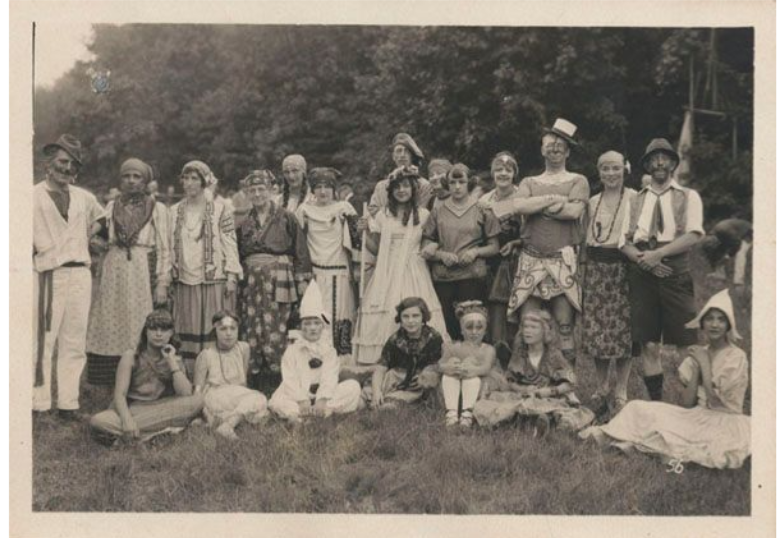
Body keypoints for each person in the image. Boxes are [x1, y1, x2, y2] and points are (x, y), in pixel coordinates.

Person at [580, 290, 751, 469]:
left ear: (729, 325)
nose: (714, 324)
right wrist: (698, 367)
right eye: (710, 319)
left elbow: (717, 402)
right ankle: (620, 439)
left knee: (682, 440)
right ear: (702, 323)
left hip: (724, 421)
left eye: (721, 319)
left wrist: (704, 366)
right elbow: (687, 403)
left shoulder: (736, 357)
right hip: (697, 416)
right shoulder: (702, 352)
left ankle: (635, 446)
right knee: (636, 407)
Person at [620, 138, 705, 401]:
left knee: (686, 341)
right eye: (653, 159)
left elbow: (693, 235)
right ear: (646, 165)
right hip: (642, 271)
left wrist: (659, 255)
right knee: (648, 342)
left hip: (675, 271)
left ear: (672, 164)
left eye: (664, 158)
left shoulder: (688, 196)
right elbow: (623, 243)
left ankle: (694, 402)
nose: (659, 163)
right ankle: (656, 403)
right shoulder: (635, 200)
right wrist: (644, 260)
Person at [33, 134, 105, 421]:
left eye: (73, 164)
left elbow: (101, 218)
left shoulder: (83, 196)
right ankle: (38, 404)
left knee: (74, 340)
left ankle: (68, 404)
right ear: (49, 163)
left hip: (81, 273)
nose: (67, 168)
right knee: (44, 340)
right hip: (49, 273)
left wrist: (91, 232)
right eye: (62, 162)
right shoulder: (32, 195)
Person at [507, 118, 590, 365]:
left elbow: (573, 213)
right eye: (550, 145)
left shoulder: (578, 180)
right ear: (542, 149)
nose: (554, 149)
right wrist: (553, 199)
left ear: (568, 151)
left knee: (565, 325)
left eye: (560, 146)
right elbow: (517, 205)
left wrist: (536, 205)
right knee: (528, 325)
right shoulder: (529, 182)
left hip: (562, 260)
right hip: (531, 259)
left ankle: (567, 382)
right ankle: (525, 379)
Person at [86, 158, 171, 387]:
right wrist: (95, 240)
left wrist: (162, 281)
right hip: (114, 268)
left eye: (137, 177)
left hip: (140, 269)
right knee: (110, 319)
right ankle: (108, 380)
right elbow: (98, 232)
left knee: (138, 320)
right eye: (127, 176)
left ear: (145, 181)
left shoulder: (157, 208)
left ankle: (140, 377)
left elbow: (165, 247)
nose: (132, 181)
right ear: (121, 180)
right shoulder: (112, 206)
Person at [353, 167, 449, 366]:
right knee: (384, 308)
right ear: (390, 192)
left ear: (413, 189)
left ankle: (420, 358)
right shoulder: (383, 215)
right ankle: (384, 360)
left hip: (413, 267)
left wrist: (432, 247)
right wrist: (365, 233)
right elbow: (377, 249)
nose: (401, 191)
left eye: (405, 186)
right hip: (386, 270)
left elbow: (434, 240)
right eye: (397, 187)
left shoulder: (423, 215)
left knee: (414, 305)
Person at [236, 170, 312, 377]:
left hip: (279, 276)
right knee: (252, 323)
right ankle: (255, 373)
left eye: (262, 189)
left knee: (279, 323)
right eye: (253, 190)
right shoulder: (243, 222)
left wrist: (302, 280)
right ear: (247, 194)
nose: (258, 194)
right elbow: (237, 254)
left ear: (271, 190)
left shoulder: (286, 217)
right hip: (251, 279)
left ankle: (280, 374)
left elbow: (300, 249)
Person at [169, 160, 243, 370]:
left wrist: (231, 275)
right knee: (188, 325)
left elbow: (230, 242)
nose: (190, 183)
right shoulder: (174, 211)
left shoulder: (221, 210)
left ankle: (219, 372)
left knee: (215, 324)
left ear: (204, 182)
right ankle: (192, 374)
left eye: (195, 179)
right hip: (185, 279)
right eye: (186, 178)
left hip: (214, 279)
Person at [89, 310, 204, 443]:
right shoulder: (130, 356)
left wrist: (172, 362)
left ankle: (137, 435)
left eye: (164, 330)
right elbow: (119, 395)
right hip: (132, 409)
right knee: (98, 420)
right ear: (146, 332)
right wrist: (127, 420)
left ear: (171, 333)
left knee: (198, 400)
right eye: (153, 329)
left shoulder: (174, 358)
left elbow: (186, 393)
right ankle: (161, 431)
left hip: (161, 408)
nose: (158, 334)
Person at [473, 310, 594, 434]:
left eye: (533, 327)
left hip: (547, 396)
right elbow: (510, 381)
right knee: (497, 405)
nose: (527, 331)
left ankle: (546, 421)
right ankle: (531, 421)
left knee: (564, 410)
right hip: (524, 395)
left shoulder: (553, 355)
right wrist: (523, 390)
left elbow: (571, 383)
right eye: (525, 327)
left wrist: (550, 391)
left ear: (544, 332)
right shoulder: (520, 354)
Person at [582, 151, 638, 416]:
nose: (611, 174)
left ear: (624, 169)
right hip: (595, 268)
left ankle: (621, 389)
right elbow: (585, 239)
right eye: (605, 169)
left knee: (622, 331)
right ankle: (601, 385)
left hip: (624, 268)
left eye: (615, 168)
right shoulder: (592, 201)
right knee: (597, 330)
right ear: (599, 172)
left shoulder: (635, 197)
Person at [422, 163, 501, 340]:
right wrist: (441, 255)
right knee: (447, 322)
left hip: (472, 276)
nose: (457, 187)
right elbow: (425, 243)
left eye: (461, 182)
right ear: (447, 184)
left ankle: (474, 358)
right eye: (452, 182)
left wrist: (475, 252)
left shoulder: (483, 209)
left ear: (469, 183)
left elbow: (495, 247)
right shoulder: (437, 211)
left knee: (472, 321)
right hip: (444, 276)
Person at [269, 281, 362, 422]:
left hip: (322, 395)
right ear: (301, 327)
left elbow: (330, 376)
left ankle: (321, 410)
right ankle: (300, 414)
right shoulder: (293, 350)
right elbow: (290, 378)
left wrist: (322, 399)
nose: (312, 328)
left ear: (322, 327)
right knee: (277, 400)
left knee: (353, 387)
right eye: (307, 324)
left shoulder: (329, 350)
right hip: (299, 394)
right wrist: (301, 399)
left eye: (316, 323)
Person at [296, 167, 359, 357]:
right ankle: (316, 359)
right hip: (316, 273)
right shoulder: (304, 210)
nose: (323, 192)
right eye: (318, 187)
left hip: (339, 271)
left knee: (341, 314)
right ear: (312, 190)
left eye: (327, 187)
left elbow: (357, 242)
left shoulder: (344, 208)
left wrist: (355, 266)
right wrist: (302, 276)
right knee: (317, 314)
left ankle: (341, 360)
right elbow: (298, 245)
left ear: (334, 189)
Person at [193, 311, 269, 440]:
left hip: (236, 395)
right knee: (259, 402)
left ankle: (226, 422)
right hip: (215, 395)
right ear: (215, 330)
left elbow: (243, 380)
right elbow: (197, 391)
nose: (228, 333)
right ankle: (228, 424)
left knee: (261, 406)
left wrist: (245, 397)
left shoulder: (243, 348)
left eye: (233, 328)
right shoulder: (206, 354)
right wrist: (202, 411)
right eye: (223, 329)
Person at [478, 152, 523, 356]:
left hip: (517, 260)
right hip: (490, 262)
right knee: (491, 307)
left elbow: (533, 230)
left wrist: (516, 242)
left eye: (508, 169)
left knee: (513, 310)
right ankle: (493, 351)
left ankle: (515, 355)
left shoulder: (523, 197)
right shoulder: (484, 200)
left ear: (514, 173)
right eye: (498, 169)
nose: (503, 173)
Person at [363, 297, 444, 408]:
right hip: (397, 379)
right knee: (368, 396)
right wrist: (377, 391)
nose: (410, 321)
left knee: (389, 407)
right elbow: (381, 368)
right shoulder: (395, 339)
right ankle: (379, 398)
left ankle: (396, 400)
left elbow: (438, 365)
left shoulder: (433, 337)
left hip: (420, 382)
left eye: (415, 316)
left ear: (423, 317)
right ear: (400, 319)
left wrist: (426, 375)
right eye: (405, 316)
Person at [439, 301, 496, 427]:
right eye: (469, 328)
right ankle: (452, 413)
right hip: (457, 380)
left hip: (479, 381)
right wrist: (449, 368)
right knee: (448, 376)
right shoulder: (454, 347)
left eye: (479, 328)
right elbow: (440, 365)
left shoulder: (488, 349)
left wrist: (472, 370)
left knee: (472, 379)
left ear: (485, 331)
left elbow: (486, 368)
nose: (474, 332)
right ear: (461, 330)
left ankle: (467, 414)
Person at [368, 132, 433, 216]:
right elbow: (371, 214)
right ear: (393, 157)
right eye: (399, 151)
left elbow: (421, 215)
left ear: (412, 156)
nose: (402, 155)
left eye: (407, 151)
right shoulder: (381, 186)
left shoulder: (424, 185)